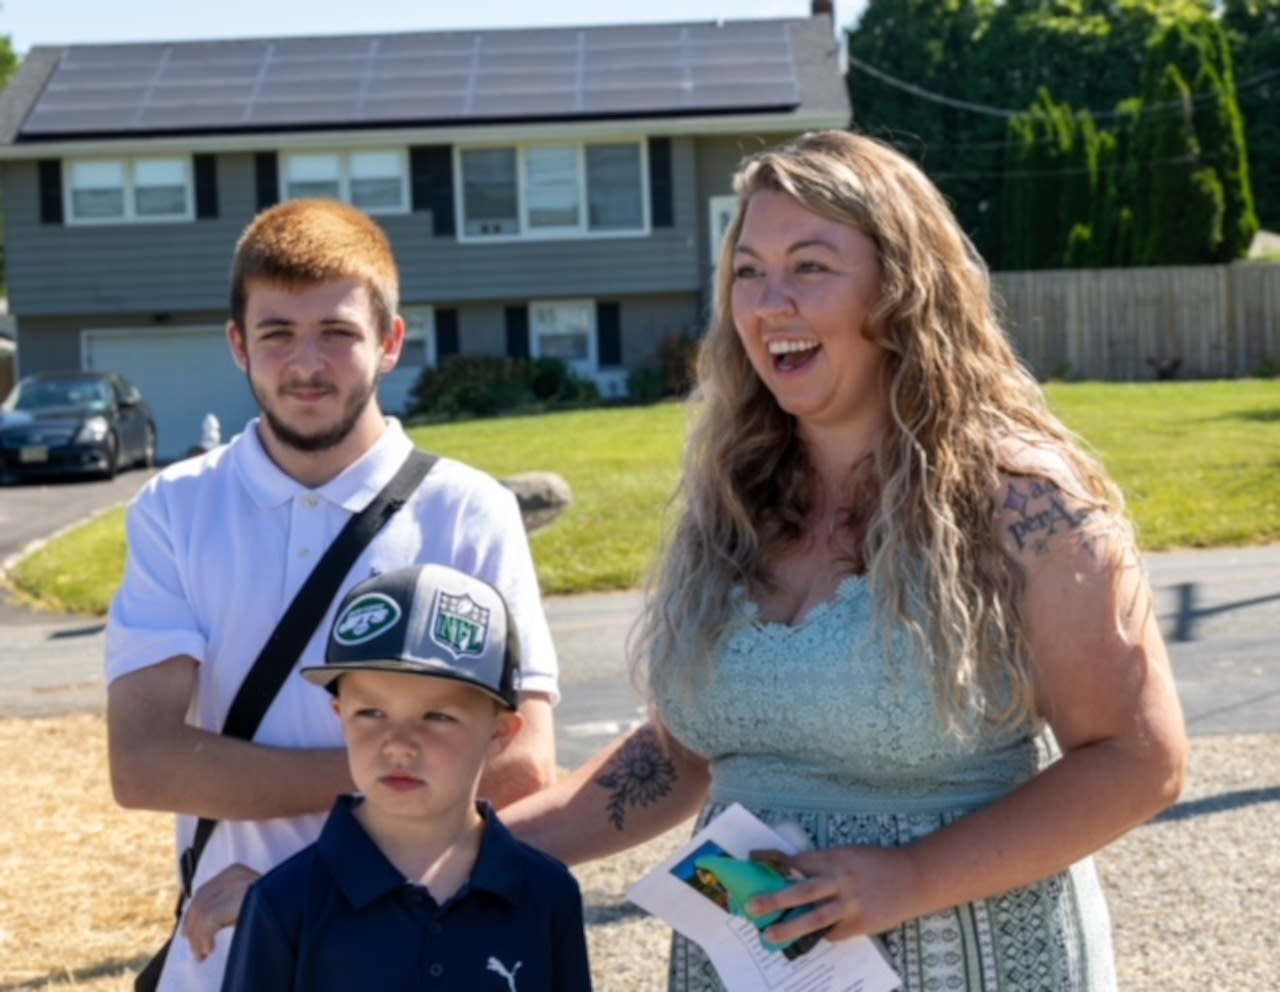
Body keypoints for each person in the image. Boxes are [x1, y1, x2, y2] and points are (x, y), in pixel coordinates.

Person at [503, 130, 1188, 991]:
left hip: (974, 967)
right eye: (747, 272)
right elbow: (681, 759)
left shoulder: (1019, 501)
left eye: (810, 268)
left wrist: (911, 879)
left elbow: (1139, 757)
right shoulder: (730, 503)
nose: (767, 302)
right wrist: (472, 856)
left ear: (901, 291)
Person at [105, 198, 560, 992]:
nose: (306, 364)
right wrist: (407, 769)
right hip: (226, 952)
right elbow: (143, 762)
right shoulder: (175, 508)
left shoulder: (465, 509)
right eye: (278, 334)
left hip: (417, 951)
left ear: (390, 343)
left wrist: (299, 890)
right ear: (238, 344)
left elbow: (521, 761)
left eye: (338, 334)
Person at [221, 564, 592, 992]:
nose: (398, 745)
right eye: (371, 713)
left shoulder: (547, 893)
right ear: (340, 716)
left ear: (500, 732)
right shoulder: (285, 902)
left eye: (438, 716)